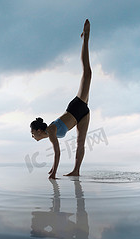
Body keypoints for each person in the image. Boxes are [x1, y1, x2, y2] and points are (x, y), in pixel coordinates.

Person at [30, 19, 92, 179]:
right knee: (80, 143)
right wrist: (52, 170)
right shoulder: (47, 134)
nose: (33, 136)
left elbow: (57, 153)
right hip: (82, 116)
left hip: (76, 107)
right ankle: (76, 170)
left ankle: (86, 38)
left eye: (32, 134)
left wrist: (54, 173)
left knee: (87, 73)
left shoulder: (50, 131)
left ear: (38, 131)